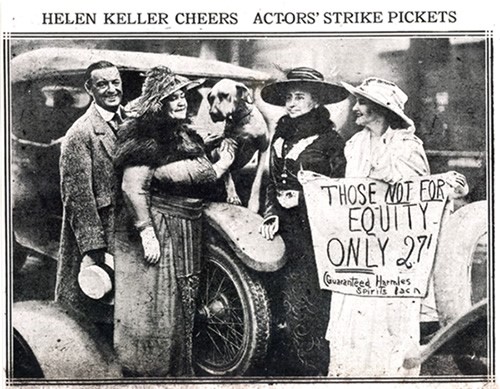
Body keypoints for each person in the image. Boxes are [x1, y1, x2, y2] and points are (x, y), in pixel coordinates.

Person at [326, 77, 468, 377]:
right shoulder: (355, 145)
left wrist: (442, 186)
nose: (356, 108)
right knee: (355, 320)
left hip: (393, 254)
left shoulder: (406, 147)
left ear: (381, 109)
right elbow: (349, 193)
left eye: (362, 103)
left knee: (389, 323)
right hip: (360, 252)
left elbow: (419, 200)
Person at [112, 66, 235, 376]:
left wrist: (220, 164)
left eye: (181, 95)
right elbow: (132, 187)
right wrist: (147, 233)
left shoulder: (185, 133)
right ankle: (151, 375)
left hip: (187, 226)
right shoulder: (145, 135)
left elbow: (195, 176)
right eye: (172, 97)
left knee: (183, 302)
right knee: (160, 306)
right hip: (162, 226)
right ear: (158, 103)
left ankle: (178, 372)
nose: (181, 101)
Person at [258, 67, 349, 376]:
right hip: (281, 230)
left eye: (299, 97)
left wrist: (302, 199)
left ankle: (311, 372)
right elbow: (272, 182)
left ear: (315, 102)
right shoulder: (281, 135)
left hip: (313, 234)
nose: (292, 104)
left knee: (305, 307)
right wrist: (271, 212)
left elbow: (341, 191)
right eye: (288, 98)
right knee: (276, 302)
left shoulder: (331, 141)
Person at [55, 61, 125, 322]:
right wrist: (94, 249)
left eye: (115, 82)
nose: (111, 90)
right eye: (102, 84)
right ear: (89, 88)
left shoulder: (130, 121)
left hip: (129, 230)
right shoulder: (80, 133)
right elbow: (78, 198)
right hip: (102, 232)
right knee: (94, 308)